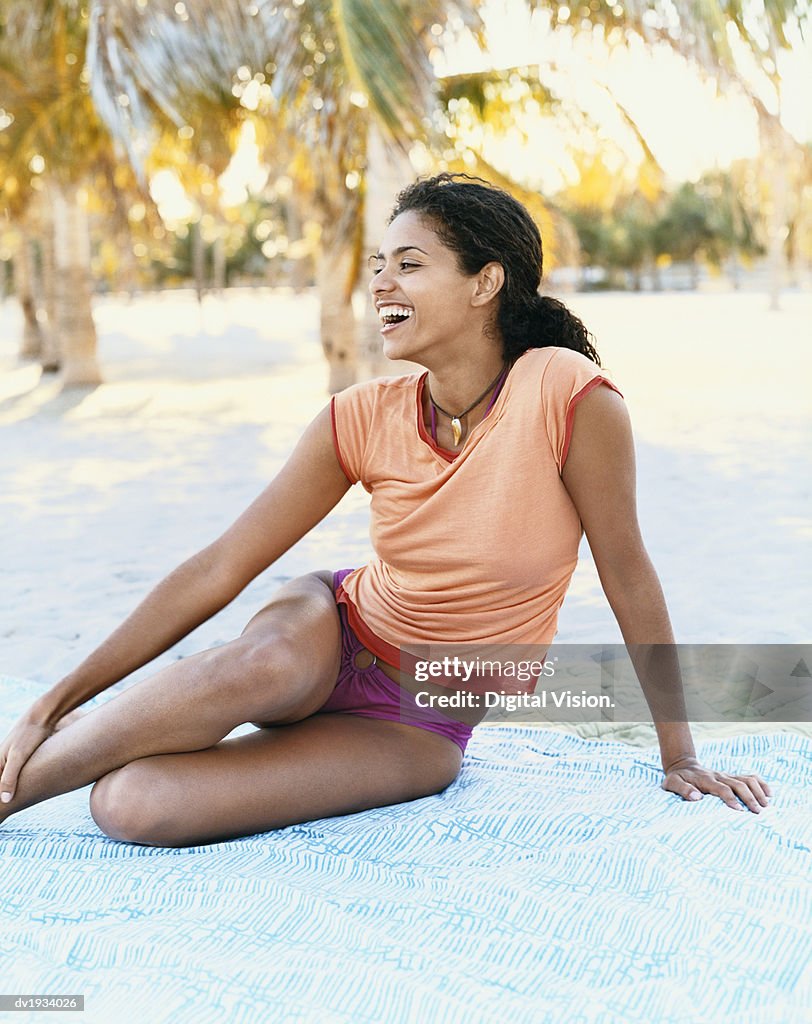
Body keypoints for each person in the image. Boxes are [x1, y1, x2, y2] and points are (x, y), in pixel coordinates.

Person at [0, 173, 771, 847]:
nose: (381, 286)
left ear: (485, 283)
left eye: (409, 264)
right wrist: (53, 699)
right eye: (380, 267)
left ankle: (105, 740)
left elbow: (627, 573)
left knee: (134, 806)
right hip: (328, 635)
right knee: (264, 663)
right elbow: (222, 565)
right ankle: (26, 780)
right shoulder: (360, 415)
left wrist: (680, 755)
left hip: (419, 718)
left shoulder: (565, 393)